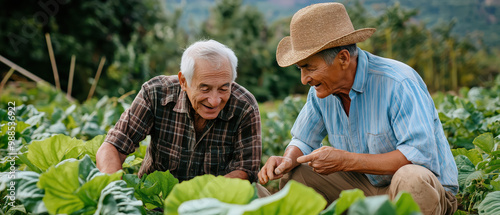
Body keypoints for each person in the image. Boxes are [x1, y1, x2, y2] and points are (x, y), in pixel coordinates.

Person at [258, 3, 458, 215]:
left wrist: (345, 160)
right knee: (297, 175)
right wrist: (288, 159)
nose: (304, 78)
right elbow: (303, 140)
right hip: (364, 189)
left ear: (343, 58)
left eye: (310, 67)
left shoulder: (398, 82)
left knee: (412, 177)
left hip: (420, 192)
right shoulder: (322, 91)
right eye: (301, 69)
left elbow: (418, 156)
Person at [96, 40, 262, 184]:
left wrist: (196, 200)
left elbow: (245, 169)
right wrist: (115, 191)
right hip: (156, 201)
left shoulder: (244, 106)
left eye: (224, 88)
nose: (215, 100)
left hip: (214, 204)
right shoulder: (156, 94)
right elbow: (113, 146)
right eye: (205, 89)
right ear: (183, 81)